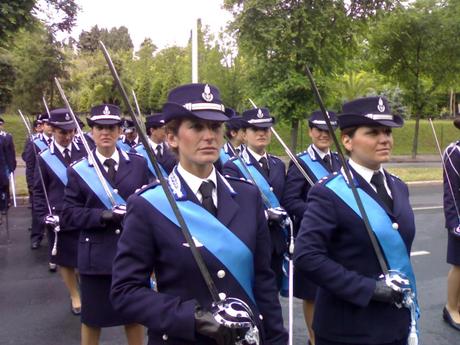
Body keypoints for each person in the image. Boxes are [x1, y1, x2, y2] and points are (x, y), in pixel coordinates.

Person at [111, 83, 288, 345]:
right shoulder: (150, 205)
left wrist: (276, 339)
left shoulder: (248, 196)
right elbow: (125, 292)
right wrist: (190, 318)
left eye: (216, 127)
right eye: (196, 126)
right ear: (172, 137)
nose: (209, 136)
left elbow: (262, 280)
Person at [294, 96, 418, 345]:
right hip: (349, 329)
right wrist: (369, 289)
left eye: (387, 132)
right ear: (347, 141)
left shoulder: (399, 187)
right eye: (373, 132)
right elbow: (307, 256)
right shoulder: (328, 192)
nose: (384, 139)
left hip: (395, 324)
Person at [62, 104, 149, 345]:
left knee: (133, 317)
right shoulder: (79, 170)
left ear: (120, 130)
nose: (105, 132)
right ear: (91, 132)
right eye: (100, 127)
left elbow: (148, 202)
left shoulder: (139, 164)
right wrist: (102, 216)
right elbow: (68, 214)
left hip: (131, 252)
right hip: (96, 256)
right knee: (92, 320)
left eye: (111, 127)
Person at [282, 110, 340, 345]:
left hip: (338, 236)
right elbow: (290, 200)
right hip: (314, 234)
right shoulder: (300, 162)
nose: (324, 135)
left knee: (335, 287)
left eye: (328, 131)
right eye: (319, 130)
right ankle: (314, 338)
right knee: (313, 293)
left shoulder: (338, 160)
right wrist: (319, 214)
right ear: (310, 131)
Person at [222, 108, 287, 289]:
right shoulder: (233, 167)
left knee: (272, 296)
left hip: (276, 243)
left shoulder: (278, 164)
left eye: (266, 129)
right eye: (255, 129)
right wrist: (266, 216)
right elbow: (235, 207)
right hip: (251, 242)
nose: (262, 133)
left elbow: (285, 199)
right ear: (244, 134)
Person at [33, 108, 86, 315]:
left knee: (84, 256)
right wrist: (43, 215)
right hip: (59, 215)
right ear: (53, 130)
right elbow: (39, 191)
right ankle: (74, 294)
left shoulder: (84, 151)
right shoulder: (45, 157)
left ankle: (85, 288)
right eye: (63, 132)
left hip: (81, 212)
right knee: (65, 259)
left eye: (71, 131)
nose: (68, 136)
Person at [23, 113, 53, 250]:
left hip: (54, 182)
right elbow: (30, 165)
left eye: (53, 124)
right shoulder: (34, 142)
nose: (50, 127)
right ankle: (36, 236)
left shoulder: (58, 141)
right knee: (37, 211)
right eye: (48, 124)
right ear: (42, 126)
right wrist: (30, 184)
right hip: (39, 182)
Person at [442, 116, 460, 331]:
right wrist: (455, 222)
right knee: (459, 264)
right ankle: (451, 307)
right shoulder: (454, 152)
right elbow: (451, 192)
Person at [0, 117, 16, 213]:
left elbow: (11, 152)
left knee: (5, 185)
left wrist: (12, 164)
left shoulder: (7, 137)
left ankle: (5, 204)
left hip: (5, 165)